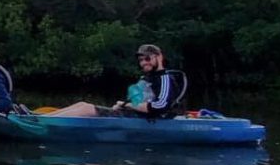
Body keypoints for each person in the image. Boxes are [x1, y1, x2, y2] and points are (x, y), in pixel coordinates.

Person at [50, 44, 188, 118]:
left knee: (87, 109)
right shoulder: (147, 78)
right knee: (82, 104)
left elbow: (160, 106)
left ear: (159, 57)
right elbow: (136, 99)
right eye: (141, 60)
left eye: (147, 58)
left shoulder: (164, 79)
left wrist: (128, 105)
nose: (143, 62)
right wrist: (123, 105)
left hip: (150, 120)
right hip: (134, 115)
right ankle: (41, 118)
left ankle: (44, 123)